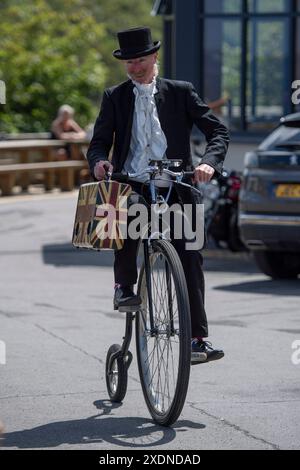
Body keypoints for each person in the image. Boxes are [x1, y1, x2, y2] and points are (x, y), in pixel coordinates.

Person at [87, 27, 230, 364]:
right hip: (133, 182)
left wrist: (209, 163)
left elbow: (218, 131)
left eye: (140, 60)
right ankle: (124, 287)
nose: (135, 67)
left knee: (191, 256)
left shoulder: (181, 92)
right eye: (129, 62)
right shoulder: (115, 97)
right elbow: (97, 143)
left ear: (154, 58)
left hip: (178, 184)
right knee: (126, 210)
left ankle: (196, 339)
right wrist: (99, 162)